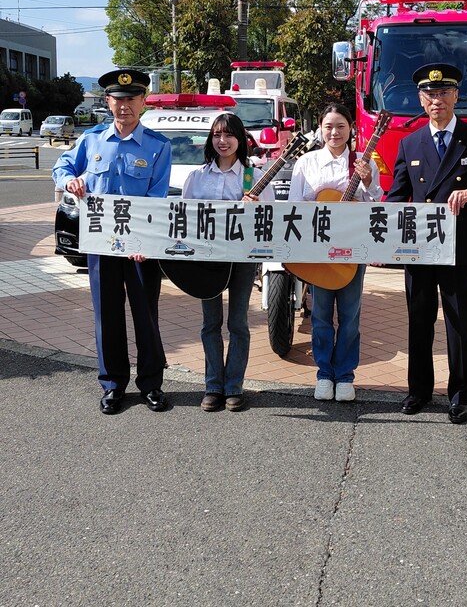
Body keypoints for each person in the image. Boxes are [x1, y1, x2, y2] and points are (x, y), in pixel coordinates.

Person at [386, 63, 467, 424]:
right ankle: (418, 391)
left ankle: (460, 396)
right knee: (419, 320)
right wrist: (383, 244)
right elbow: (396, 198)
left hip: (460, 247)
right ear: (420, 99)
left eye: (444, 93)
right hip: (420, 249)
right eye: (430, 94)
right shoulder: (409, 142)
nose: (436, 99)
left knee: (460, 322)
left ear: (456, 96)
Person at [52, 69, 172, 415]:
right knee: (107, 315)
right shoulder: (91, 141)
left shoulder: (157, 147)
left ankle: (151, 384)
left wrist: (143, 241)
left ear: (143, 102)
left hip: (140, 248)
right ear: (108, 102)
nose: (124, 106)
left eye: (131, 99)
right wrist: (71, 179)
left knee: (146, 315)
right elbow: (61, 167)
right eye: (118, 100)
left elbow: (157, 199)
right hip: (100, 244)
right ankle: (113, 384)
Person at [288, 103, 382, 402]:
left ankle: (345, 375)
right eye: (328, 126)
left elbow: (375, 204)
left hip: (353, 249)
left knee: (351, 316)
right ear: (320, 128)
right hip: (319, 249)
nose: (334, 132)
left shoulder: (363, 162)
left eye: (340, 126)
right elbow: (297, 205)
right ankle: (324, 374)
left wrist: (367, 180)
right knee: (320, 316)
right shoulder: (307, 162)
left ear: (351, 128)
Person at [182, 112, 274, 412]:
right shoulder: (197, 178)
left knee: (238, 323)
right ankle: (213, 386)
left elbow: (270, 222)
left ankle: (234, 386)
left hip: (242, 261)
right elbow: (186, 221)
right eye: (217, 135)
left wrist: (256, 208)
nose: (223, 141)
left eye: (229, 134)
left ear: (241, 139)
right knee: (210, 323)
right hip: (206, 261)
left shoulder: (255, 177)